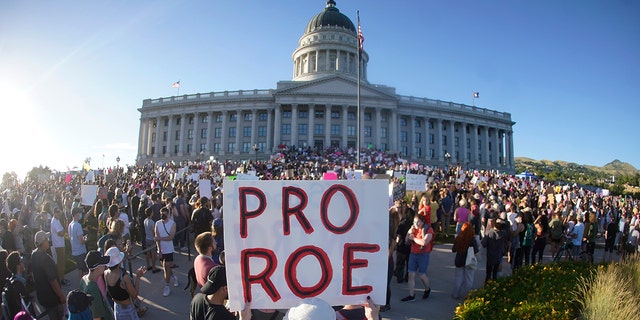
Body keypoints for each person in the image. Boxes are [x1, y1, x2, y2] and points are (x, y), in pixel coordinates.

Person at [30, 230, 66, 320]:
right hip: (52, 297)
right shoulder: (45, 259)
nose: (48, 241)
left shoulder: (34, 255)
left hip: (42, 296)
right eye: (46, 239)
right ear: (43, 242)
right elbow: (53, 280)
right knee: (57, 316)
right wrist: (61, 296)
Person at [104, 247, 147, 319]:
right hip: (128, 309)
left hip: (117, 307)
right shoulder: (123, 277)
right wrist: (138, 277)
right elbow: (134, 294)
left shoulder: (105, 273)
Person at [401, 214, 434, 302]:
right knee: (411, 275)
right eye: (415, 222)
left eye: (418, 222)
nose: (416, 224)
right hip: (413, 254)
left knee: (422, 275)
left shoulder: (428, 230)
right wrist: (409, 233)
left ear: (423, 222)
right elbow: (407, 242)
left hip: (423, 254)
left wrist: (414, 238)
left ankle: (427, 289)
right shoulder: (413, 229)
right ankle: (411, 295)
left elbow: (424, 242)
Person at [80, 250, 115, 320]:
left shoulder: (84, 279)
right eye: (103, 264)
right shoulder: (93, 289)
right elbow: (97, 317)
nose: (105, 266)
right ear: (97, 268)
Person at [451, 222, 478, 300]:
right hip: (469, 261)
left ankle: (455, 294)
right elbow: (476, 251)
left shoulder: (458, 238)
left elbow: (453, 250)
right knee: (469, 279)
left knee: (458, 279)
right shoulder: (472, 240)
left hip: (459, 260)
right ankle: (467, 296)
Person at [155, 207, 178, 297]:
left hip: (168, 249)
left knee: (166, 266)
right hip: (161, 249)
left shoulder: (172, 224)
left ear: (168, 214)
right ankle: (173, 277)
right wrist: (159, 250)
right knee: (166, 267)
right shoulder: (157, 223)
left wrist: (159, 238)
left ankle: (167, 285)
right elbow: (156, 236)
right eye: (162, 213)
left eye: (165, 213)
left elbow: (171, 237)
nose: (163, 215)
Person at [481, 218, 506, 283]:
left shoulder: (489, 233)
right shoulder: (503, 234)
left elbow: (484, 244)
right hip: (498, 255)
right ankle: (494, 285)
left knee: (488, 273)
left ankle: (487, 286)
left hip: (490, 255)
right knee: (495, 273)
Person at [50, 207, 69, 286]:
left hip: (59, 244)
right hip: (59, 245)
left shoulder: (56, 220)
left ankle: (61, 278)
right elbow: (60, 233)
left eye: (59, 213)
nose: (59, 214)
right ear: (54, 213)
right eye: (57, 213)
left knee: (61, 262)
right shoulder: (55, 222)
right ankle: (61, 279)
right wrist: (65, 228)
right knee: (61, 263)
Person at [68, 207, 89, 281]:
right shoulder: (78, 225)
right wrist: (86, 239)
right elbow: (81, 241)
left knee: (79, 269)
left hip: (74, 250)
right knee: (85, 270)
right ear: (77, 214)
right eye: (80, 213)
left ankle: (80, 283)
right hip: (80, 251)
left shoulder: (70, 224)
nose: (81, 215)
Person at [143, 207, 160, 273]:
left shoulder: (145, 220)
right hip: (152, 239)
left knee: (148, 253)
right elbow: (154, 232)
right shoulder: (152, 222)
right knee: (154, 254)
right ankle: (154, 267)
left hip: (147, 238)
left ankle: (148, 265)